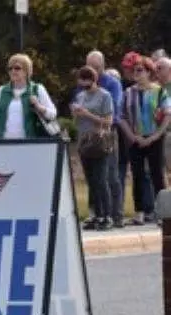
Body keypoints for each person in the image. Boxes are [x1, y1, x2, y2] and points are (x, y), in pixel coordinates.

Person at [119, 56, 171, 225]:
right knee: (137, 175)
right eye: (134, 70)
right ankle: (139, 212)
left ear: (149, 72)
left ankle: (162, 213)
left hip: (155, 137)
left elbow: (167, 114)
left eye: (140, 70)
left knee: (157, 174)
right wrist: (132, 136)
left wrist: (155, 136)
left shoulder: (159, 91)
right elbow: (121, 117)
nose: (136, 73)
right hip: (135, 138)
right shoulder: (128, 92)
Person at [73, 66, 115, 230]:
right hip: (84, 141)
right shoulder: (80, 96)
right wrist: (76, 114)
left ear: (93, 80)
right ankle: (95, 214)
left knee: (101, 179)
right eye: (80, 80)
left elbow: (108, 122)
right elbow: (78, 120)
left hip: (99, 140)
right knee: (90, 180)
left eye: (85, 79)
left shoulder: (105, 96)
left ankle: (107, 215)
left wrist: (87, 114)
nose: (83, 83)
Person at [85, 50, 124, 227]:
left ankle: (116, 214)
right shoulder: (83, 83)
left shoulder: (112, 84)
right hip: (88, 135)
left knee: (110, 174)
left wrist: (90, 113)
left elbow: (113, 110)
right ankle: (96, 213)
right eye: (89, 65)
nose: (91, 70)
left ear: (102, 66)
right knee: (93, 176)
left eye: (95, 66)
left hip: (107, 133)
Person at [0, 53, 57, 140]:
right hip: (4, 143)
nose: (13, 71)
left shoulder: (37, 89)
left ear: (26, 71)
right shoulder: (1, 90)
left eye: (17, 68)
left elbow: (52, 114)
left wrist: (38, 106)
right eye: (10, 68)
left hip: (29, 143)